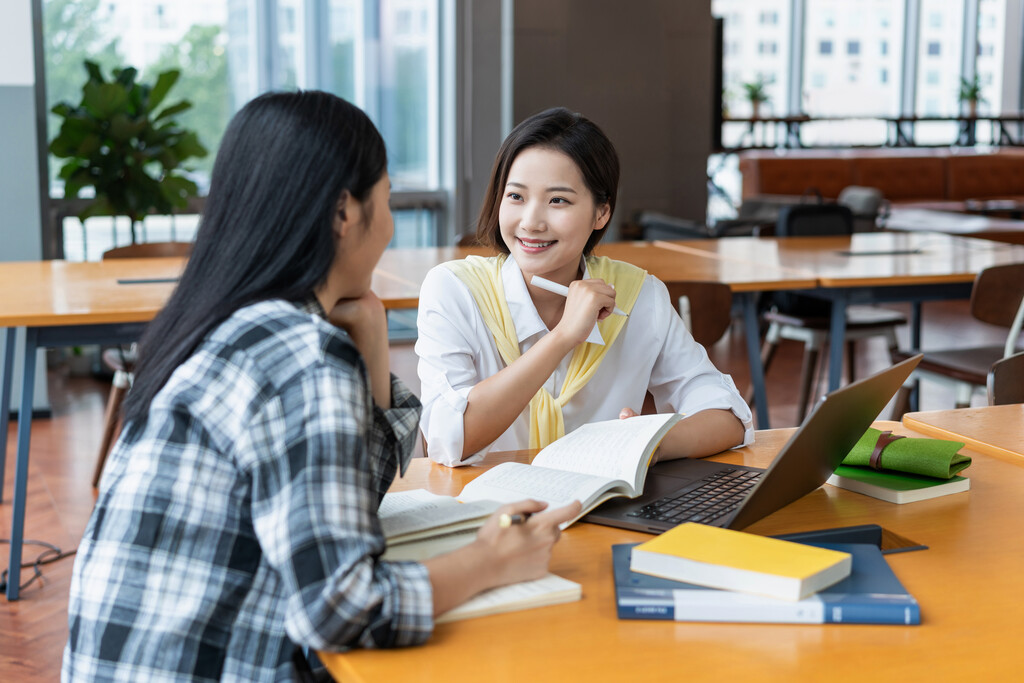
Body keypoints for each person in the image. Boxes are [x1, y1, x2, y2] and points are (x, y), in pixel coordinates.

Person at [62, 91, 579, 682]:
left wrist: (370, 329)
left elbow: (350, 493)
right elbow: (340, 612)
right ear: (343, 212)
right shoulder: (300, 358)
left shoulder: (225, 322)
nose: (387, 226)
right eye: (384, 201)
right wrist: (490, 560)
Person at [416, 107, 753, 468]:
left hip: (602, 515)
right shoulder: (453, 290)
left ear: (601, 213)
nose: (531, 222)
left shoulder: (638, 295)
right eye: (516, 196)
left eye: (557, 200)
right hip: (490, 515)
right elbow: (447, 441)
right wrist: (563, 336)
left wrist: (650, 444)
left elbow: (728, 417)